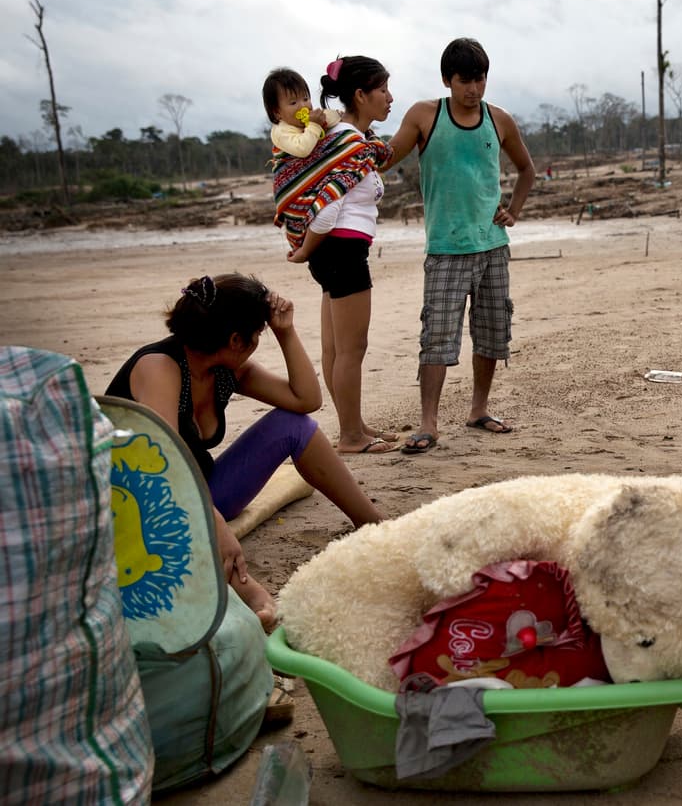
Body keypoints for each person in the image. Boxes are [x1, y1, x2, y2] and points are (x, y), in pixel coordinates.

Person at [105, 273, 385, 627]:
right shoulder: (160, 366)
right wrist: (219, 527)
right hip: (141, 506)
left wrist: (286, 333)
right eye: (257, 335)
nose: (256, 342)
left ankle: (373, 524)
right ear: (236, 339)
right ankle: (251, 594)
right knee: (188, 517)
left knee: (293, 426)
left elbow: (305, 400)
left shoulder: (225, 370)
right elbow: (165, 467)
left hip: (202, 493)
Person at [385, 37, 535, 453]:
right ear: (447, 80)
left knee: (491, 332)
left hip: (491, 246)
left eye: (480, 79)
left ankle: (478, 409)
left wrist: (514, 210)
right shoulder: (424, 116)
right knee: (437, 335)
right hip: (446, 248)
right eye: (465, 80)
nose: (474, 89)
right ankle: (428, 424)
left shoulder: (499, 119)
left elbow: (526, 169)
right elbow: (385, 157)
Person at [280, 56, 399, 454]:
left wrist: (309, 251)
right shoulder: (349, 141)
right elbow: (327, 204)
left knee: (335, 349)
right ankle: (350, 436)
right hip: (343, 250)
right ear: (360, 95)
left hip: (332, 253)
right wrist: (304, 248)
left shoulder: (341, 138)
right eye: (382, 90)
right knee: (352, 349)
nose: (390, 98)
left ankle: (355, 425)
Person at [262, 67, 340, 159]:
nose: (303, 106)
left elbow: (332, 117)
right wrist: (314, 125)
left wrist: (338, 115)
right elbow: (302, 149)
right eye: (293, 103)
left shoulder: (311, 120)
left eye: (305, 99)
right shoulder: (281, 132)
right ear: (277, 112)